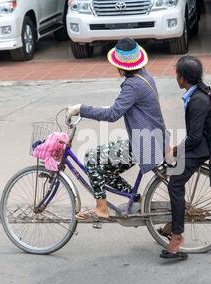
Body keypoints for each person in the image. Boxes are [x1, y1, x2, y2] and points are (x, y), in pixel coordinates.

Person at [66, 38, 169, 221]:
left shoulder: (132, 85)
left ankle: (101, 207)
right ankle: (134, 198)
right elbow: (121, 106)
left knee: (92, 158)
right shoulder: (144, 76)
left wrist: (82, 109)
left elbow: (113, 115)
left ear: (120, 66)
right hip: (153, 138)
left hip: (144, 144)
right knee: (102, 167)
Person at [162, 55, 211, 259]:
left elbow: (194, 138)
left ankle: (177, 236)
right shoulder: (199, 92)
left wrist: (175, 150)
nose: (175, 77)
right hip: (199, 145)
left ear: (183, 78)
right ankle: (174, 219)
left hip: (201, 149)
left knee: (175, 184)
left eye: (177, 74)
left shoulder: (198, 100)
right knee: (170, 173)